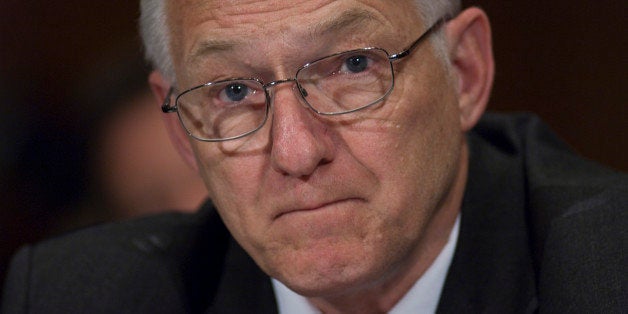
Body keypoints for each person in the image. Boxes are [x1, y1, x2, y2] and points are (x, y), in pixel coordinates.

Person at [2, 1, 626, 313]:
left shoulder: (606, 272)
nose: (296, 154)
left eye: (354, 66)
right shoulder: (80, 298)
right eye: (233, 92)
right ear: (183, 130)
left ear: (463, 72)